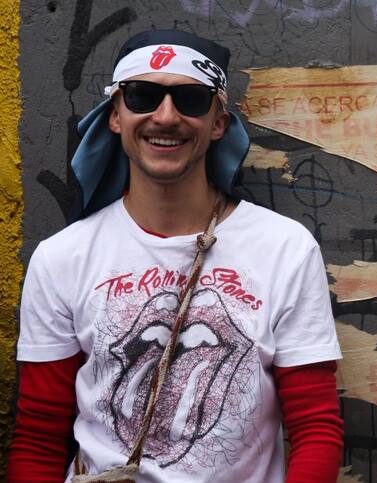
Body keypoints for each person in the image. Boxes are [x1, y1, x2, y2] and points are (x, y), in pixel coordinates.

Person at [8, 29, 343, 482]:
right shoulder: (62, 259)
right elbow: (39, 438)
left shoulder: (285, 250)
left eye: (191, 100)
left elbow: (315, 428)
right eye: (142, 96)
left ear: (219, 123)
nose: (166, 117)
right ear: (115, 116)